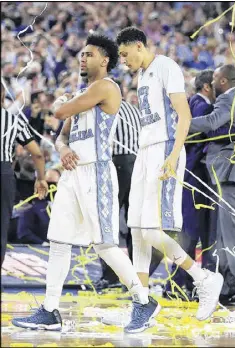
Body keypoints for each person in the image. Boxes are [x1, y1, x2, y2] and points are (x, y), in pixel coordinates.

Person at [11, 34, 158, 333]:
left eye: (88, 54)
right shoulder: (82, 93)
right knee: (60, 242)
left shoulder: (107, 87)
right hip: (72, 175)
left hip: (97, 173)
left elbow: (60, 112)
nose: (82, 58)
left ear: (104, 60)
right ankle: (50, 311)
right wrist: (63, 150)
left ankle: (143, 301)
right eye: (81, 54)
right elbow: (61, 134)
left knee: (104, 243)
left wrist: (63, 102)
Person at [115, 27, 222, 321]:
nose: (123, 61)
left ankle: (203, 279)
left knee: (152, 230)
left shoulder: (166, 67)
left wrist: (174, 156)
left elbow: (184, 115)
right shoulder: (142, 75)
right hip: (144, 151)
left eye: (125, 54)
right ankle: (141, 302)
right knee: (136, 230)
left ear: (139, 46)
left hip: (164, 149)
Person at [187, 64, 235, 306]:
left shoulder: (227, 100)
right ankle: (230, 287)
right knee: (223, 234)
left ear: (222, 82)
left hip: (231, 172)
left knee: (231, 235)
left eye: (216, 78)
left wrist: (181, 123)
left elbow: (211, 122)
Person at [95, 99, 164, 291]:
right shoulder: (134, 110)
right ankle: (136, 275)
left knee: (107, 222)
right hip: (138, 164)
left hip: (117, 163)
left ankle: (111, 276)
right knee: (134, 222)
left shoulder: (106, 106)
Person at [1, 84, 48, 268]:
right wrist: (41, 178)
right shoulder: (13, 120)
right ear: (3, 95)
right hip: (3, 173)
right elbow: (37, 153)